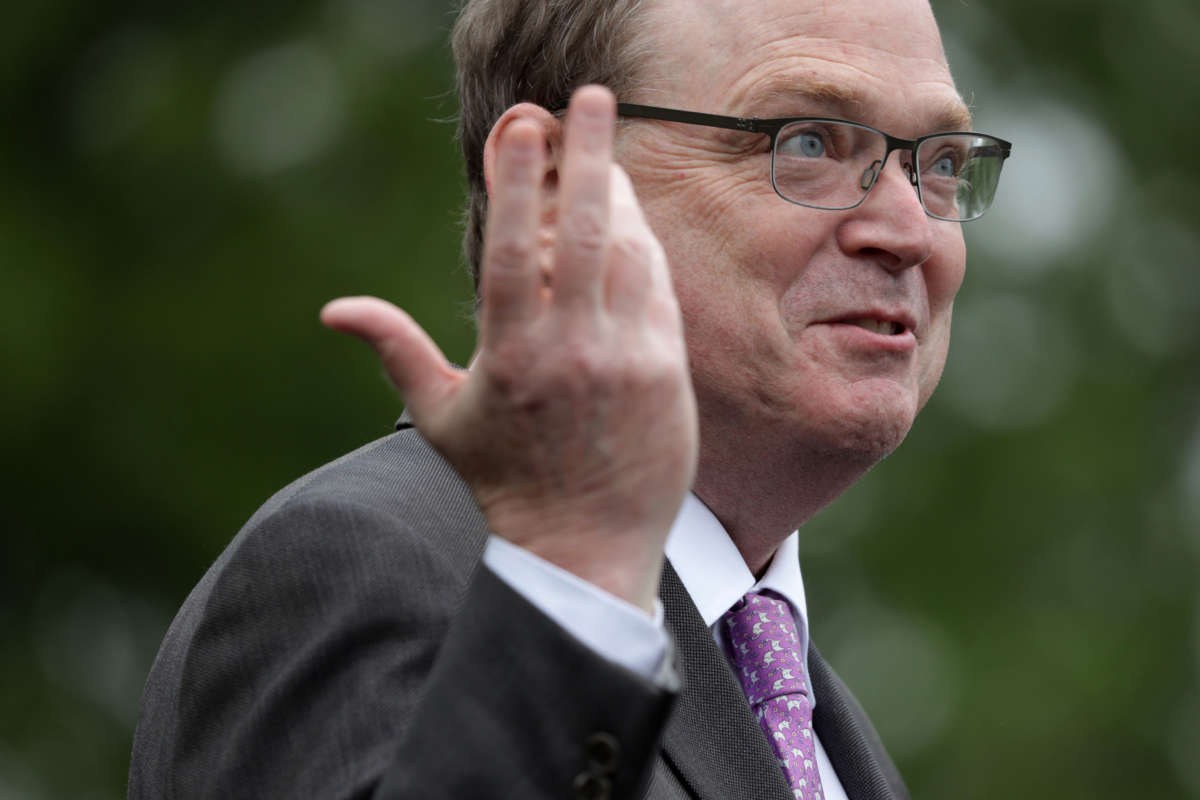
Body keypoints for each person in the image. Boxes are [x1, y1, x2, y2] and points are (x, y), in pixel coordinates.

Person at [129, 0, 1011, 798]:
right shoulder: (364, 565)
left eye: (937, 164)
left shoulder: (825, 731)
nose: (908, 232)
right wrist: (572, 595)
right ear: (549, 183)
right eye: (811, 142)